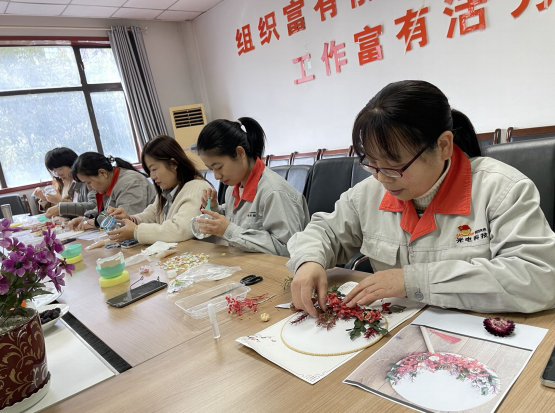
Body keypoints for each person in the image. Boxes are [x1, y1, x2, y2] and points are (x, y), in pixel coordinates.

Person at [288, 80, 555, 315]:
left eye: (394, 166)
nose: (381, 178)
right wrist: (309, 260)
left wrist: (412, 281)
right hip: (397, 329)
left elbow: (540, 278)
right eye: (372, 164)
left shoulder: (501, 189)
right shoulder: (370, 192)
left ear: (443, 146)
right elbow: (325, 231)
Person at [195, 117, 310, 257]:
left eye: (218, 167)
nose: (216, 176)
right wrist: (214, 209)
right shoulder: (232, 188)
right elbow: (239, 220)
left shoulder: (274, 192)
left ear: (240, 153)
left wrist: (229, 231)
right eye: (210, 169)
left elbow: (287, 249)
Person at [105, 135, 213, 244]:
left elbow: (179, 230)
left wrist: (136, 231)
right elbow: (151, 215)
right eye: (149, 171)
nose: (152, 176)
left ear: (173, 164)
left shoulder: (198, 187)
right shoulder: (168, 191)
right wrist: (129, 219)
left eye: (154, 169)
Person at [68, 153, 156, 230]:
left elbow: (124, 219)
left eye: (89, 182)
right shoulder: (109, 184)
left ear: (102, 173)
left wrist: (95, 222)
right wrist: (86, 218)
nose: (89, 188)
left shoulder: (130, 183)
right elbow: (105, 210)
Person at [32, 148, 96, 218]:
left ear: (72, 164)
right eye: (54, 172)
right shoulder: (65, 182)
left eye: (59, 170)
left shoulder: (85, 181)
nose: (58, 175)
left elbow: (93, 207)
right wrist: (46, 199)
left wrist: (60, 202)